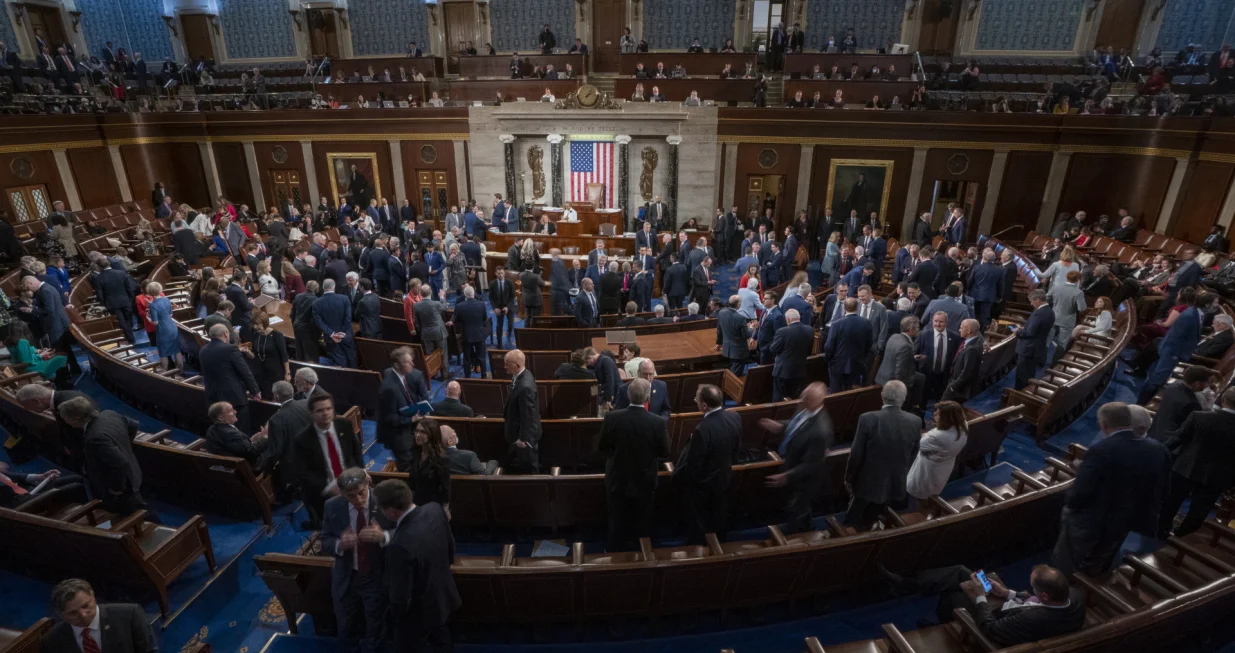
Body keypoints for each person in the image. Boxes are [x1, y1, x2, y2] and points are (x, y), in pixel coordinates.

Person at [1052, 402, 1170, 576]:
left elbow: (1081, 492)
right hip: (1125, 520)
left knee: (1068, 562)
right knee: (1099, 560)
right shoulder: (1159, 450)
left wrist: (1071, 507)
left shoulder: (1102, 450)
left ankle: (1060, 595)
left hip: (1089, 521)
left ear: (1104, 425)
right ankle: (1088, 590)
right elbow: (1162, 489)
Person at [878, 564, 1084, 647]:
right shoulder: (1073, 596)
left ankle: (945, 625)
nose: (1030, 590)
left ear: (1046, 596)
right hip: (1009, 606)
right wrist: (1008, 593)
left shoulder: (1031, 619)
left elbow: (990, 629)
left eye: (1033, 587)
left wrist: (980, 598)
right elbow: (1034, 599)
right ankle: (905, 584)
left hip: (994, 622)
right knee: (961, 572)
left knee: (952, 591)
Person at [374, 479, 460, 652]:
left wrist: (395, 615)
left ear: (391, 512)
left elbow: (401, 596)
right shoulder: (435, 509)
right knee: (443, 641)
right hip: (443, 595)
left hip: (417, 615)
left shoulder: (399, 546)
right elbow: (451, 549)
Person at [319, 468, 391, 653]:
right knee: (345, 626)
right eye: (351, 496)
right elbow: (325, 540)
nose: (358, 500)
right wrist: (339, 544)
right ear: (342, 493)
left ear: (368, 484)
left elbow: (407, 532)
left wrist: (383, 536)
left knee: (375, 626)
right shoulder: (332, 506)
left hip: (376, 575)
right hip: (346, 576)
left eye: (362, 493)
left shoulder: (386, 499)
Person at [599, 378, 670, 551]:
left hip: (617, 477)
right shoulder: (657, 422)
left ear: (628, 396)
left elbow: (602, 447)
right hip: (644, 479)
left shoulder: (611, 417)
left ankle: (614, 554)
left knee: (616, 520)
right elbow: (665, 453)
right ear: (647, 398)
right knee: (643, 520)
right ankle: (643, 554)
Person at [1158, 387, 1235, 538]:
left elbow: (1176, 439)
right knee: (1199, 511)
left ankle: (1161, 531)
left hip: (1186, 467)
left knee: (1171, 502)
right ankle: (1183, 538)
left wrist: (1156, 453)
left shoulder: (1199, 417)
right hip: (1218, 477)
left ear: (1223, 401)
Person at [844, 381, 922, 528]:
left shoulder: (867, 419)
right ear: (904, 398)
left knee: (853, 521)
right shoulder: (915, 421)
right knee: (879, 512)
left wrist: (849, 478)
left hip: (866, 483)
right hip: (896, 481)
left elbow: (856, 454)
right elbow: (913, 453)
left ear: (882, 396)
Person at [760, 382, 832, 533]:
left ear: (816, 401)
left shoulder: (820, 431)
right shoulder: (805, 408)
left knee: (798, 514)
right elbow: (797, 424)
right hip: (792, 461)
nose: (801, 400)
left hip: (804, 481)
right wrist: (780, 426)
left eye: (805, 398)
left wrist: (787, 476)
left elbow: (812, 464)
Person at [673, 384, 740, 543]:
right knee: (719, 518)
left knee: (701, 526)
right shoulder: (735, 417)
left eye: (696, 399)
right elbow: (735, 449)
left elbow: (694, 465)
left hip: (704, 487)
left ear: (704, 405)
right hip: (725, 478)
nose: (695, 401)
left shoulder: (702, 430)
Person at [58, 396, 146, 516]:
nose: (64, 421)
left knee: (131, 513)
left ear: (74, 419)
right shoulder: (109, 414)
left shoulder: (94, 438)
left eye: (64, 418)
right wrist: (122, 445)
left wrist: (115, 489)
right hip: (133, 473)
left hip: (122, 487)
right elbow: (133, 426)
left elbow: (120, 463)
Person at [293, 393, 364, 529]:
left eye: (328, 409)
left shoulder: (344, 424)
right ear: (311, 413)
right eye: (320, 410)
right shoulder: (303, 440)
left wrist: (361, 470)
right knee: (336, 529)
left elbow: (356, 448)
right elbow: (302, 473)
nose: (325, 413)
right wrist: (329, 487)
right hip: (325, 493)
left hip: (352, 482)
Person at [39, 578, 157, 653]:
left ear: (92, 596)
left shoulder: (130, 615)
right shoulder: (51, 642)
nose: (83, 615)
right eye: (73, 613)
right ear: (61, 614)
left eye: (85, 606)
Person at [200, 323, 261, 434]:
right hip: (234, 397)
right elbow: (245, 371)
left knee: (221, 430)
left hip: (213, 397)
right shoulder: (231, 348)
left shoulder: (203, 350)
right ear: (226, 333)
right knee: (241, 430)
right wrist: (255, 390)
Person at [378, 346, 429, 471]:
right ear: (397, 365)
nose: (412, 364)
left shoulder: (401, 375)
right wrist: (411, 419)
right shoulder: (389, 388)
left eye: (411, 360)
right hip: (400, 438)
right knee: (408, 469)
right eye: (407, 362)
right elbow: (389, 418)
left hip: (408, 429)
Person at [906, 400, 968, 502]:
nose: (934, 414)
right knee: (933, 492)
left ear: (947, 418)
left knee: (921, 497)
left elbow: (918, 445)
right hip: (945, 465)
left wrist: (924, 435)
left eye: (938, 413)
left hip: (927, 471)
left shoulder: (936, 436)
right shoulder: (963, 425)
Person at [503, 350, 541, 473]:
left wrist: (523, 439)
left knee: (529, 467)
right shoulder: (522, 375)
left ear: (518, 365)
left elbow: (528, 415)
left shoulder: (525, 387)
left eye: (508, 364)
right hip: (518, 433)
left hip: (525, 439)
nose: (505, 367)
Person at [876, 315, 924, 411]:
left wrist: (912, 358)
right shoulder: (905, 346)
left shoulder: (894, 336)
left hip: (882, 376)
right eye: (918, 327)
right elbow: (900, 373)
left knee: (921, 377)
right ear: (911, 329)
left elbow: (896, 357)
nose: (919, 330)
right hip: (892, 382)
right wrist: (901, 391)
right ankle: (914, 406)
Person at [824, 298, 872, 392]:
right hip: (856, 363)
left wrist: (828, 359)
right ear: (857, 307)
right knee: (851, 392)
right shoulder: (866, 323)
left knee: (836, 393)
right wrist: (862, 358)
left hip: (837, 364)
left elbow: (829, 346)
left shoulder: (836, 324)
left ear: (844, 308)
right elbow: (869, 344)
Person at [205, 401, 269, 468]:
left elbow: (236, 448)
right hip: (246, 468)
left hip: (225, 467)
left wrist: (250, 440)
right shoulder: (230, 434)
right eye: (230, 411)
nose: (235, 412)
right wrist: (265, 436)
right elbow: (251, 452)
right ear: (220, 418)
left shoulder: (211, 430)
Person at [1013, 290, 1055, 390]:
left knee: (1022, 375)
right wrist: (1026, 328)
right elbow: (1037, 329)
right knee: (1029, 374)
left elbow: (1029, 333)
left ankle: (1017, 396)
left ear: (1038, 300)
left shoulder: (1038, 313)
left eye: (1032, 301)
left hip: (1028, 349)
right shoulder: (1050, 311)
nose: (1031, 303)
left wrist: (1017, 332)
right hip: (1037, 348)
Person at [770, 308, 813, 401]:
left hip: (783, 371)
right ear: (799, 318)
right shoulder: (809, 329)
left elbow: (773, 349)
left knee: (778, 398)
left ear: (788, 320)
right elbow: (809, 350)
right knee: (796, 397)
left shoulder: (782, 331)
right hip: (800, 370)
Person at [407, 418, 451, 508]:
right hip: (415, 503)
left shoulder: (441, 458)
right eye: (417, 431)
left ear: (432, 434)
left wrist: (446, 507)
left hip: (433, 505)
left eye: (423, 432)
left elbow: (445, 486)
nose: (418, 435)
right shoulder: (415, 453)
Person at [6, 320, 67, 384]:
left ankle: (60, 383)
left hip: (20, 367)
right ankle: (61, 384)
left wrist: (38, 351)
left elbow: (22, 354)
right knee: (61, 358)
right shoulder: (22, 342)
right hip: (30, 368)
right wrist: (41, 355)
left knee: (55, 357)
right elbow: (27, 361)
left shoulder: (9, 340)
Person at [941, 319, 984, 403]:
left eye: (961, 328)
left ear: (968, 331)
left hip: (958, 389)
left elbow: (966, 373)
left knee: (942, 409)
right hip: (956, 385)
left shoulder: (972, 349)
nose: (959, 330)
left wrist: (953, 387)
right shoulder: (975, 342)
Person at [453, 285, 488, 378]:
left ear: (465, 294)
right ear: (474, 294)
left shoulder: (460, 306)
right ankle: (484, 375)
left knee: (467, 358)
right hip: (479, 334)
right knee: (482, 357)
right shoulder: (482, 304)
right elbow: (485, 319)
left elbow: (456, 320)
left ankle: (467, 376)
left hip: (467, 335)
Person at [715, 295, 755, 376]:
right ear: (738, 305)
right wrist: (751, 328)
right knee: (735, 376)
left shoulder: (721, 312)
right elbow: (746, 335)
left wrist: (719, 343)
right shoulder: (740, 318)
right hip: (739, 351)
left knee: (733, 369)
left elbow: (719, 330)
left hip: (727, 348)